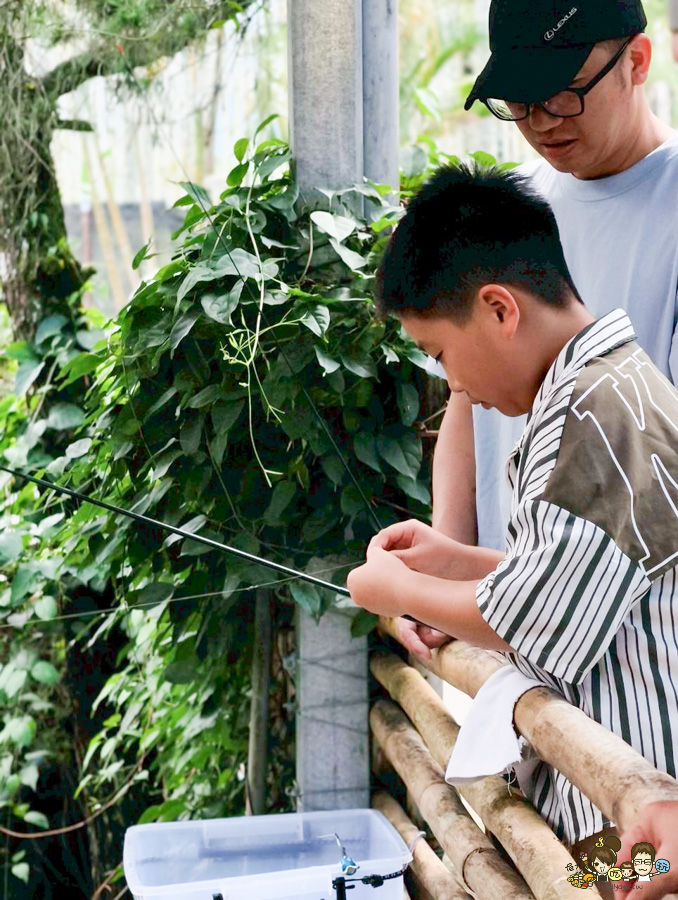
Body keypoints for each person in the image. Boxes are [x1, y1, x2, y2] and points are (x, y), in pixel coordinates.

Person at [347, 164, 678, 868]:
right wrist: (452, 558)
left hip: (644, 813)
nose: (453, 384)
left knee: (602, 887)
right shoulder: (605, 389)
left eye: (441, 355)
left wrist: (394, 590)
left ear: (500, 308)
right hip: (624, 792)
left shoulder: (594, 416)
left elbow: (526, 614)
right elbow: (589, 579)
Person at [425, 0, 678, 650]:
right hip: (505, 625)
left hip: (632, 645)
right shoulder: (509, 208)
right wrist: (443, 560)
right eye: (518, 101)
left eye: (562, 95)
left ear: (637, 63)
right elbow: (465, 401)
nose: (539, 123)